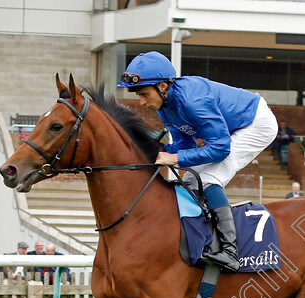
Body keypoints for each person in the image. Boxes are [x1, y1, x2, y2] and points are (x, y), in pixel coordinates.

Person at [118, 51, 277, 272]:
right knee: (192, 181)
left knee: (210, 178)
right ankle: (202, 240)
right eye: (139, 96)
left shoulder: (193, 101)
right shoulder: (165, 107)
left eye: (144, 94)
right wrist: (156, 151)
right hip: (230, 130)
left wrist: (173, 157)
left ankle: (231, 252)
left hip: (255, 124)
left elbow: (220, 149)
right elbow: (186, 148)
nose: (142, 102)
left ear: (163, 86)